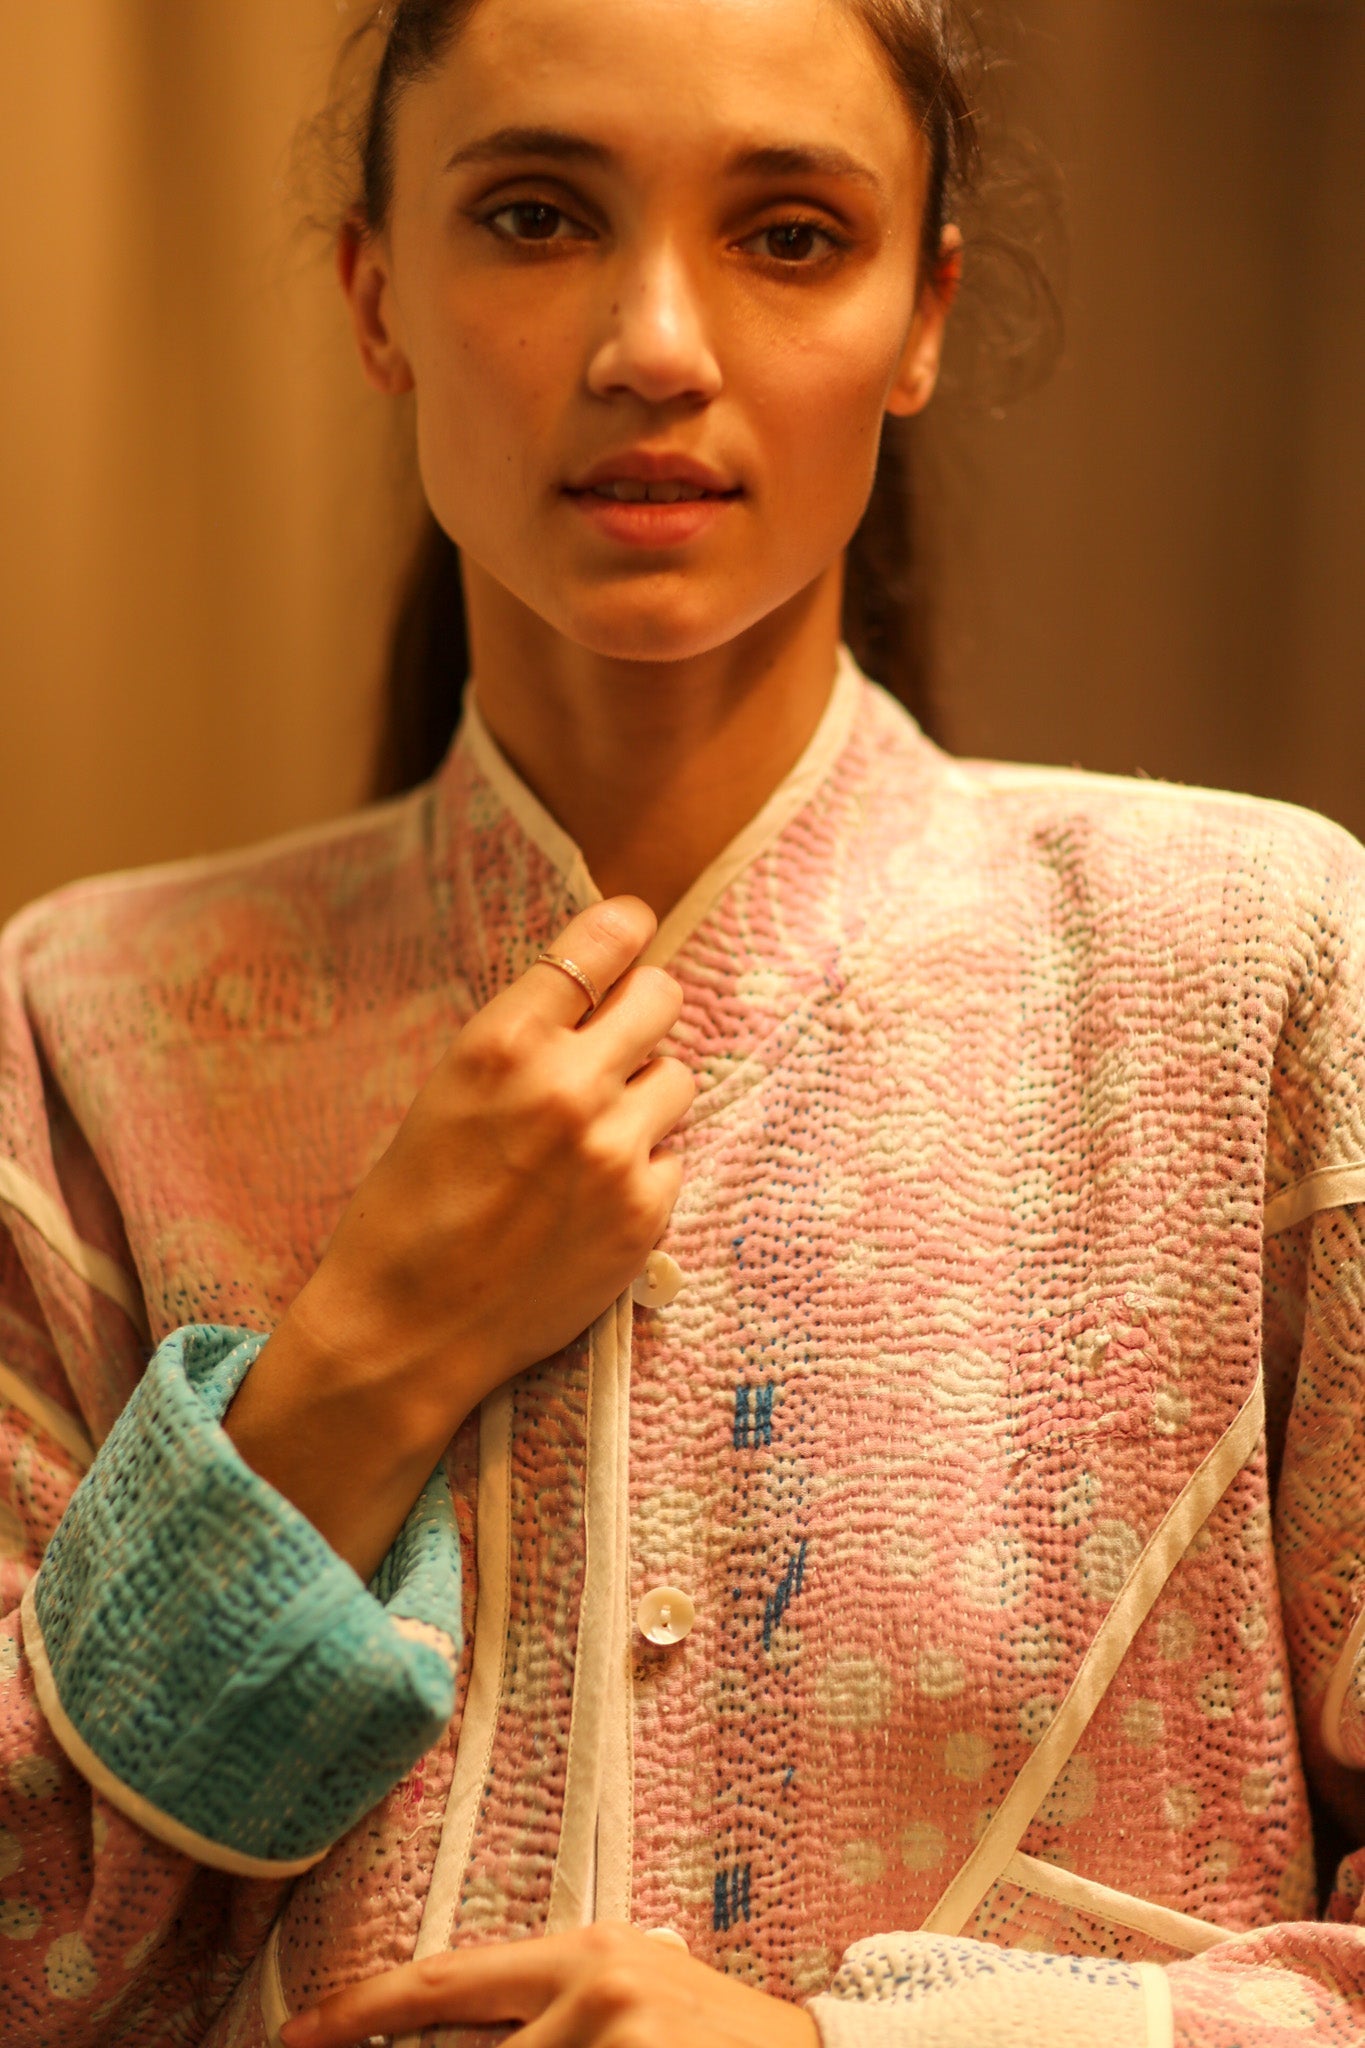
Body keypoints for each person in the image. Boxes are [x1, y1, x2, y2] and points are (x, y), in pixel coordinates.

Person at [1, 0, 1364, 2041]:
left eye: (789, 235)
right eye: (537, 216)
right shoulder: (87, 1032)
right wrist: (358, 1370)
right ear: (375, 292)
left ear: (921, 316)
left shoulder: (1253, 975)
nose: (653, 343)